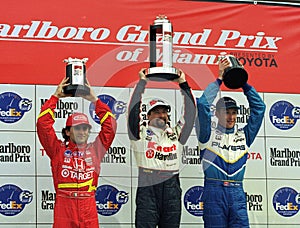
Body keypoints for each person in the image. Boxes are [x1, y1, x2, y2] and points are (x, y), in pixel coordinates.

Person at [36, 77, 116, 228]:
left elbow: (110, 126)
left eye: (85, 128)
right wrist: (55, 97)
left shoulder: (95, 150)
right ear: (67, 131)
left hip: (89, 205)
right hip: (64, 206)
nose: (82, 132)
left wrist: (94, 100)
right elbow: (42, 124)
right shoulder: (57, 150)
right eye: (77, 128)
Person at [196, 58, 266, 227]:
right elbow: (203, 104)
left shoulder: (244, 136)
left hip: (237, 193)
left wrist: (243, 83)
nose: (231, 117)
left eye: (234, 113)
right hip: (214, 192)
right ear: (218, 114)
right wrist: (220, 78)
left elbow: (260, 108)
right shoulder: (207, 136)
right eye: (226, 112)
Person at [127, 68, 196, 228]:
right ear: (148, 116)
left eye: (164, 112)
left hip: (172, 186)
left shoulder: (176, 134)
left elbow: (191, 114)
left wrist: (183, 84)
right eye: (157, 112)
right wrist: (141, 84)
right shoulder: (140, 134)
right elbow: (133, 112)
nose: (162, 115)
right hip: (148, 186)